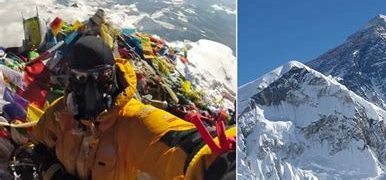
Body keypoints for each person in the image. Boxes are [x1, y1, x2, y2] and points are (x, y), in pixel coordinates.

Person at [30, 36, 236, 180]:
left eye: (101, 77)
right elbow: (37, 142)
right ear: (71, 79)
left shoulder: (136, 122)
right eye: (80, 78)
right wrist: (53, 172)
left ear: (113, 74)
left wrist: (224, 163)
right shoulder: (60, 114)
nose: (90, 88)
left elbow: (183, 144)